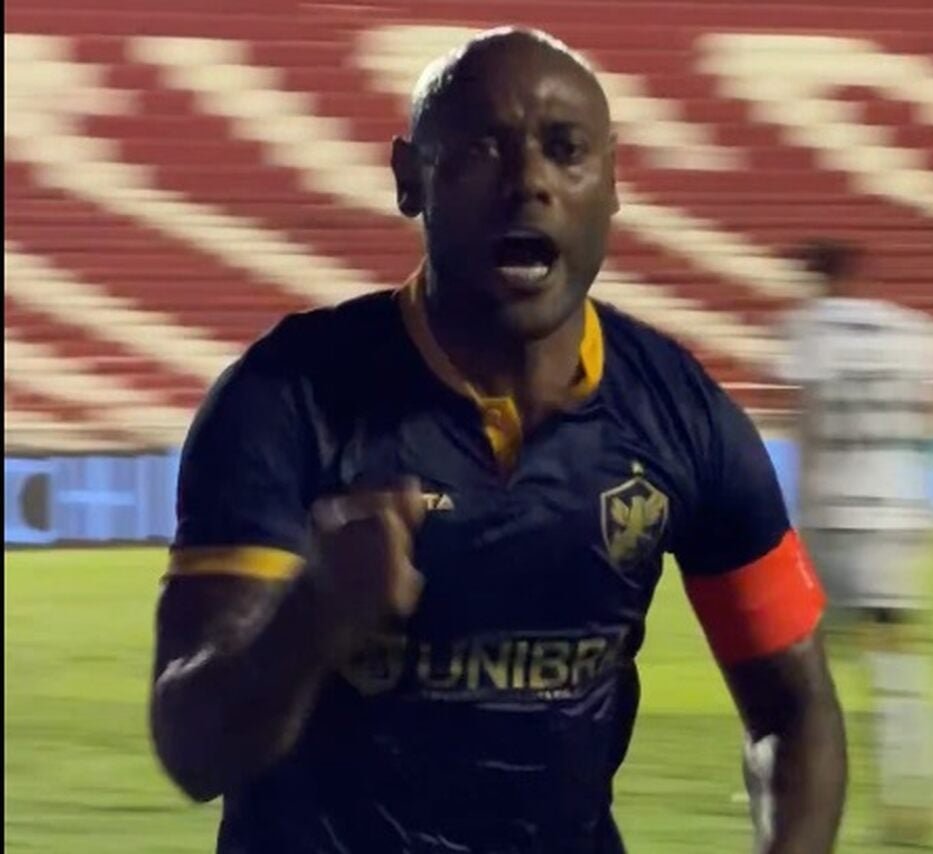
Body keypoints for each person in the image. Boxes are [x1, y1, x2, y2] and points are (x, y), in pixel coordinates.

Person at [147, 27, 846, 854]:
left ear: (613, 180)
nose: (530, 182)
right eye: (483, 148)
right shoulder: (286, 398)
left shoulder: (680, 412)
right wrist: (314, 612)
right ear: (410, 179)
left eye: (566, 150)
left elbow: (794, 710)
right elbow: (193, 753)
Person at [778, 239, 933, 846]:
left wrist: (792, 520)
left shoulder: (809, 332)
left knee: (797, 662)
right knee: (897, 659)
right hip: (901, 514)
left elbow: (805, 424)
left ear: (817, 279)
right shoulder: (914, 333)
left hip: (836, 515)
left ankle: (798, 791)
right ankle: (913, 795)